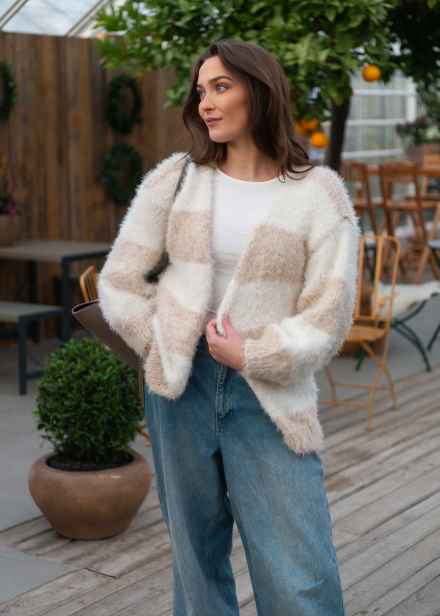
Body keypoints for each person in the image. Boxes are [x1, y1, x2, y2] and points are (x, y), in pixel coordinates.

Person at [98, 38, 359, 616]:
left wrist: (255, 355)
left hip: (268, 395)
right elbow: (119, 280)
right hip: (179, 389)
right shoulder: (176, 179)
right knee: (196, 563)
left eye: (221, 87)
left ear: (260, 92)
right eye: (201, 92)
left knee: (299, 573)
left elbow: (330, 314)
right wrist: (160, 337)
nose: (207, 103)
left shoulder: (319, 195)